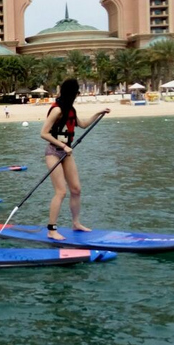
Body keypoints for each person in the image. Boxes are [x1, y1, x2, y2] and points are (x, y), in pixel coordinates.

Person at [40, 78, 110, 240]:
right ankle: (51, 230)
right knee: (61, 191)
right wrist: (63, 146)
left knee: (76, 189)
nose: (77, 95)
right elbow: (44, 133)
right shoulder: (57, 110)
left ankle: (76, 223)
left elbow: (83, 124)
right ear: (71, 93)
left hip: (67, 154)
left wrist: (98, 113)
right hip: (53, 152)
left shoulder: (71, 109)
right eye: (76, 92)